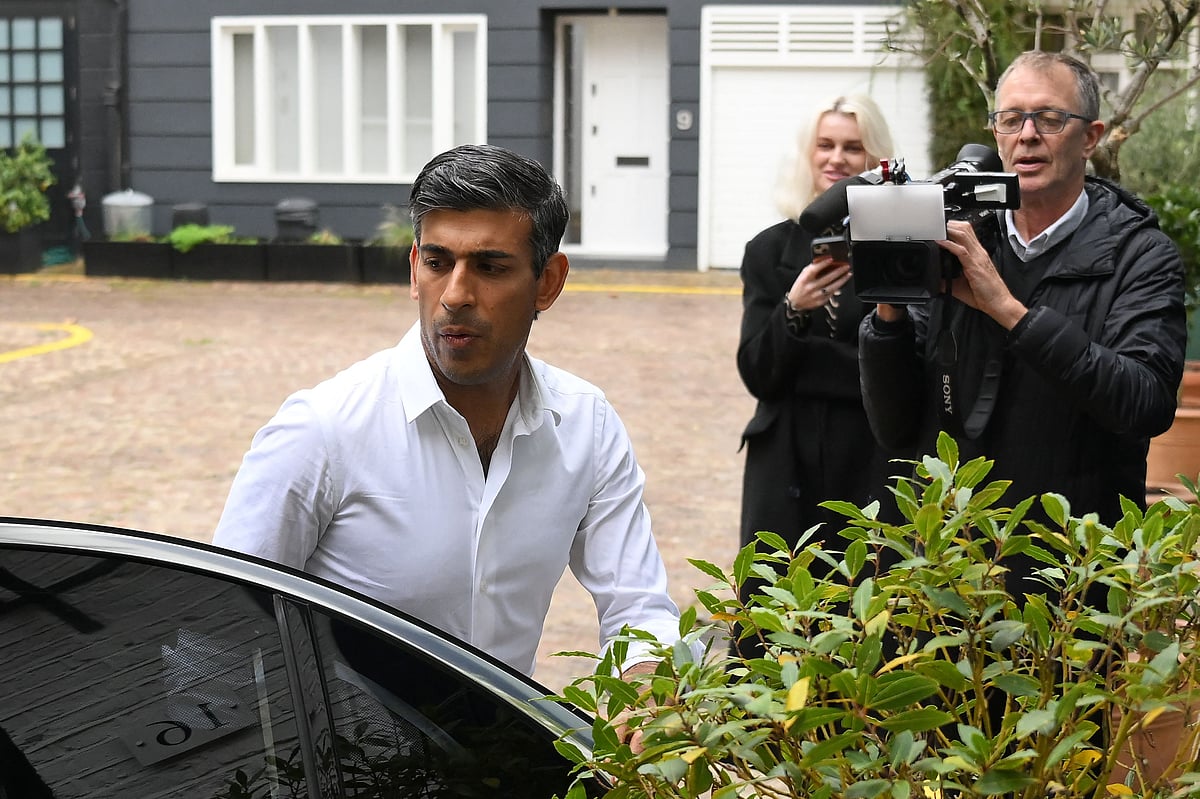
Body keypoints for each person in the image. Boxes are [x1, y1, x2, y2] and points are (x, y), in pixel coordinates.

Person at [212, 143, 682, 681]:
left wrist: (647, 697)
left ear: (548, 282)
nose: (456, 294)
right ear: (415, 270)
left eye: (489, 266)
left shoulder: (586, 425)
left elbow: (640, 609)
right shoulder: (323, 430)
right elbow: (217, 633)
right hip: (339, 762)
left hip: (498, 758)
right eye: (438, 262)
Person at [858, 51, 1187, 546]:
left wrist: (1007, 310)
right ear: (996, 134)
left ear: (1090, 138)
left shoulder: (1140, 254)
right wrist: (890, 307)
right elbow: (894, 426)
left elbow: (1144, 403)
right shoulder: (956, 240)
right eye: (1010, 119)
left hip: (1075, 558)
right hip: (956, 560)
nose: (1027, 135)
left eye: (1050, 118)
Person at [736, 95, 900, 567]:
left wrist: (808, 362)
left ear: (875, 159)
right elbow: (758, 374)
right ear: (808, 155)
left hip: (871, 452)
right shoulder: (768, 251)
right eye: (825, 145)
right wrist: (793, 307)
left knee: (870, 605)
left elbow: (909, 368)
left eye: (853, 147)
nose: (836, 158)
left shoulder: (901, 246)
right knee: (776, 602)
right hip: (787, 456)